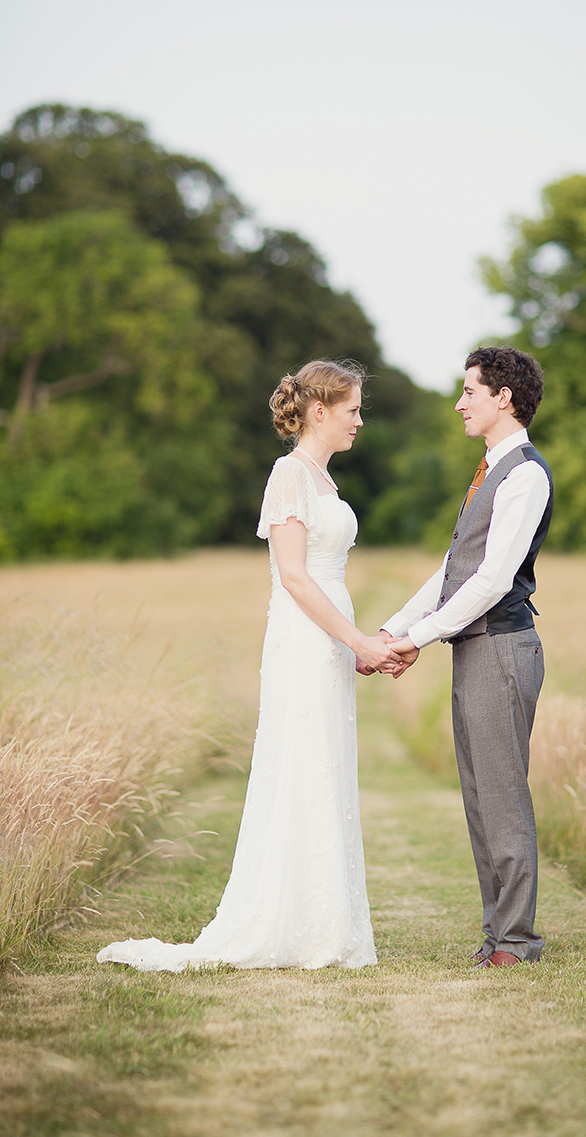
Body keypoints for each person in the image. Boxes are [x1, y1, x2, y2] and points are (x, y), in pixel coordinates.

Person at [97, 359, 399, 972]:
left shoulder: (323, 479)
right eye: (352, 410)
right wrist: (356, 641)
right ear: (320, 411)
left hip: (328, 638)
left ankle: (324, 922)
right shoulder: (289, 474)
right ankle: (294, 924)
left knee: (325, 761)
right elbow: (294, 577)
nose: (359, 421)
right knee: (302, 759)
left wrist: (353, 645)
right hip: (305, 636)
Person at [383, 346, 552, 968]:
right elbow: (453, 571)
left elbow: (492, 581)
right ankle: (497, 935)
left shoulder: (525, 474)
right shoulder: (489, 469)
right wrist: (394, 629)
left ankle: (517, 942)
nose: (459, 404)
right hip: (476, 650)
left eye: (470, 392)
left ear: (503, 398)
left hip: (502, 649)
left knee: (502, 798)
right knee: (481, 799)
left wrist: (418, 639)